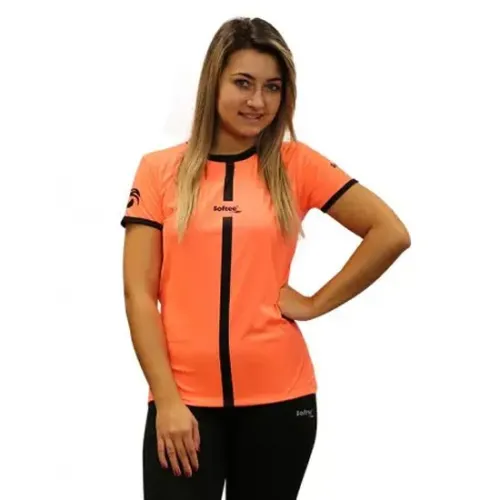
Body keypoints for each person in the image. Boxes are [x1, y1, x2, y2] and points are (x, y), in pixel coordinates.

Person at [121, 16, 411, 500]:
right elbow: (138, 293)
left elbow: (390, 233)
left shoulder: (297, 164)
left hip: (281, 403)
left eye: (272, 87)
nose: (258, 101)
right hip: (184, 404)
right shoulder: (159, 170)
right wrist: (167, 399)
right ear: (213, 82)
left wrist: (315, 303)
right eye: (243, 83)